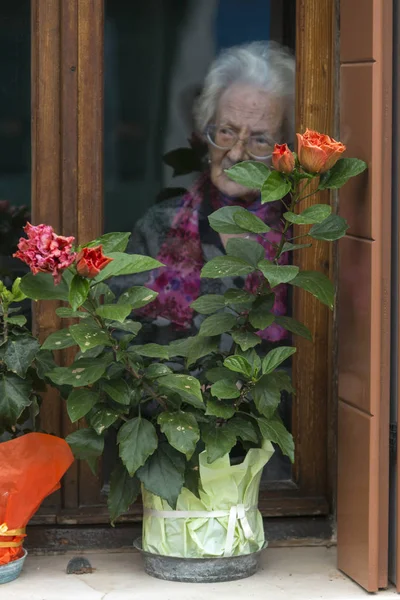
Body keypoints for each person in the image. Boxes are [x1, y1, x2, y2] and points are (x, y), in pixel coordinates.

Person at [114, 41, 295, 347]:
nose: (236, 154)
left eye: (260, 140)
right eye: (226, 131)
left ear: (285, 149)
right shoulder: (160, 226)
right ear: (206, 131)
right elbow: (121, 337)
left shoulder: (301, 237)